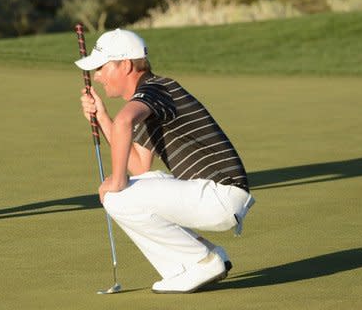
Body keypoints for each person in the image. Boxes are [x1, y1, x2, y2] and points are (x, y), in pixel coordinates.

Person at [76, 28, 255, 293]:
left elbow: (125, 121)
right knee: (138, 183)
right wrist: (102, 116)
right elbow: (138, 165)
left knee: (116, 195)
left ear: (125, 65)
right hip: (217, 196)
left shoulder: (157, 90)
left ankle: (198, 263)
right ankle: (208, 254)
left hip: (220, 196)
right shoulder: (151, 98)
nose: (97, 76)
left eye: (102, 67)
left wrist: (116, 180)